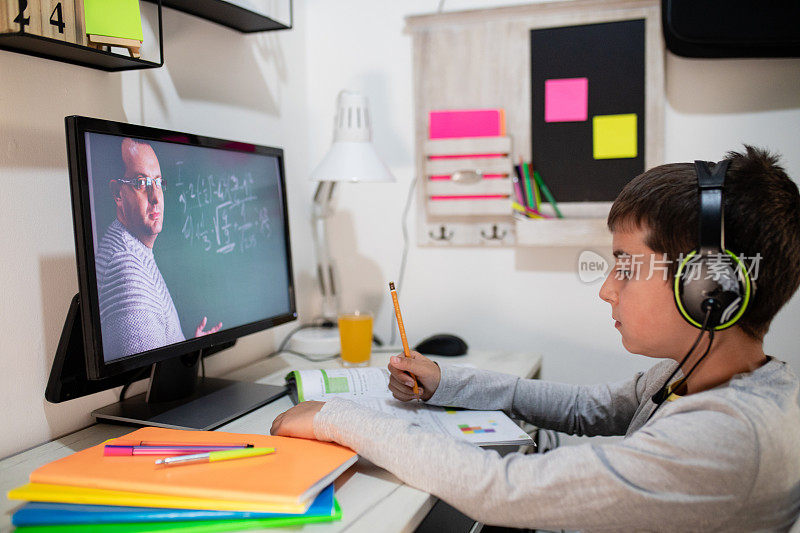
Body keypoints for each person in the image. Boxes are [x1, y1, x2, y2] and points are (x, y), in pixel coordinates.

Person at [271, 146, 800, 531]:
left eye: (626, 267)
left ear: (709, 286)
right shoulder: (695, 374)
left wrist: (334, 416)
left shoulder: (730, 437)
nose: (608, 292)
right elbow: (583, 407)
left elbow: (505, 491)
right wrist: (447, 382)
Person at [96, 138, 222, 360]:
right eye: (140, 183)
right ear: (117, 193)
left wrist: (186, 349)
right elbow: (145, 374)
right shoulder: (127, 272)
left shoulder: (133, 248)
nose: (155, 197)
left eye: (158, 182)